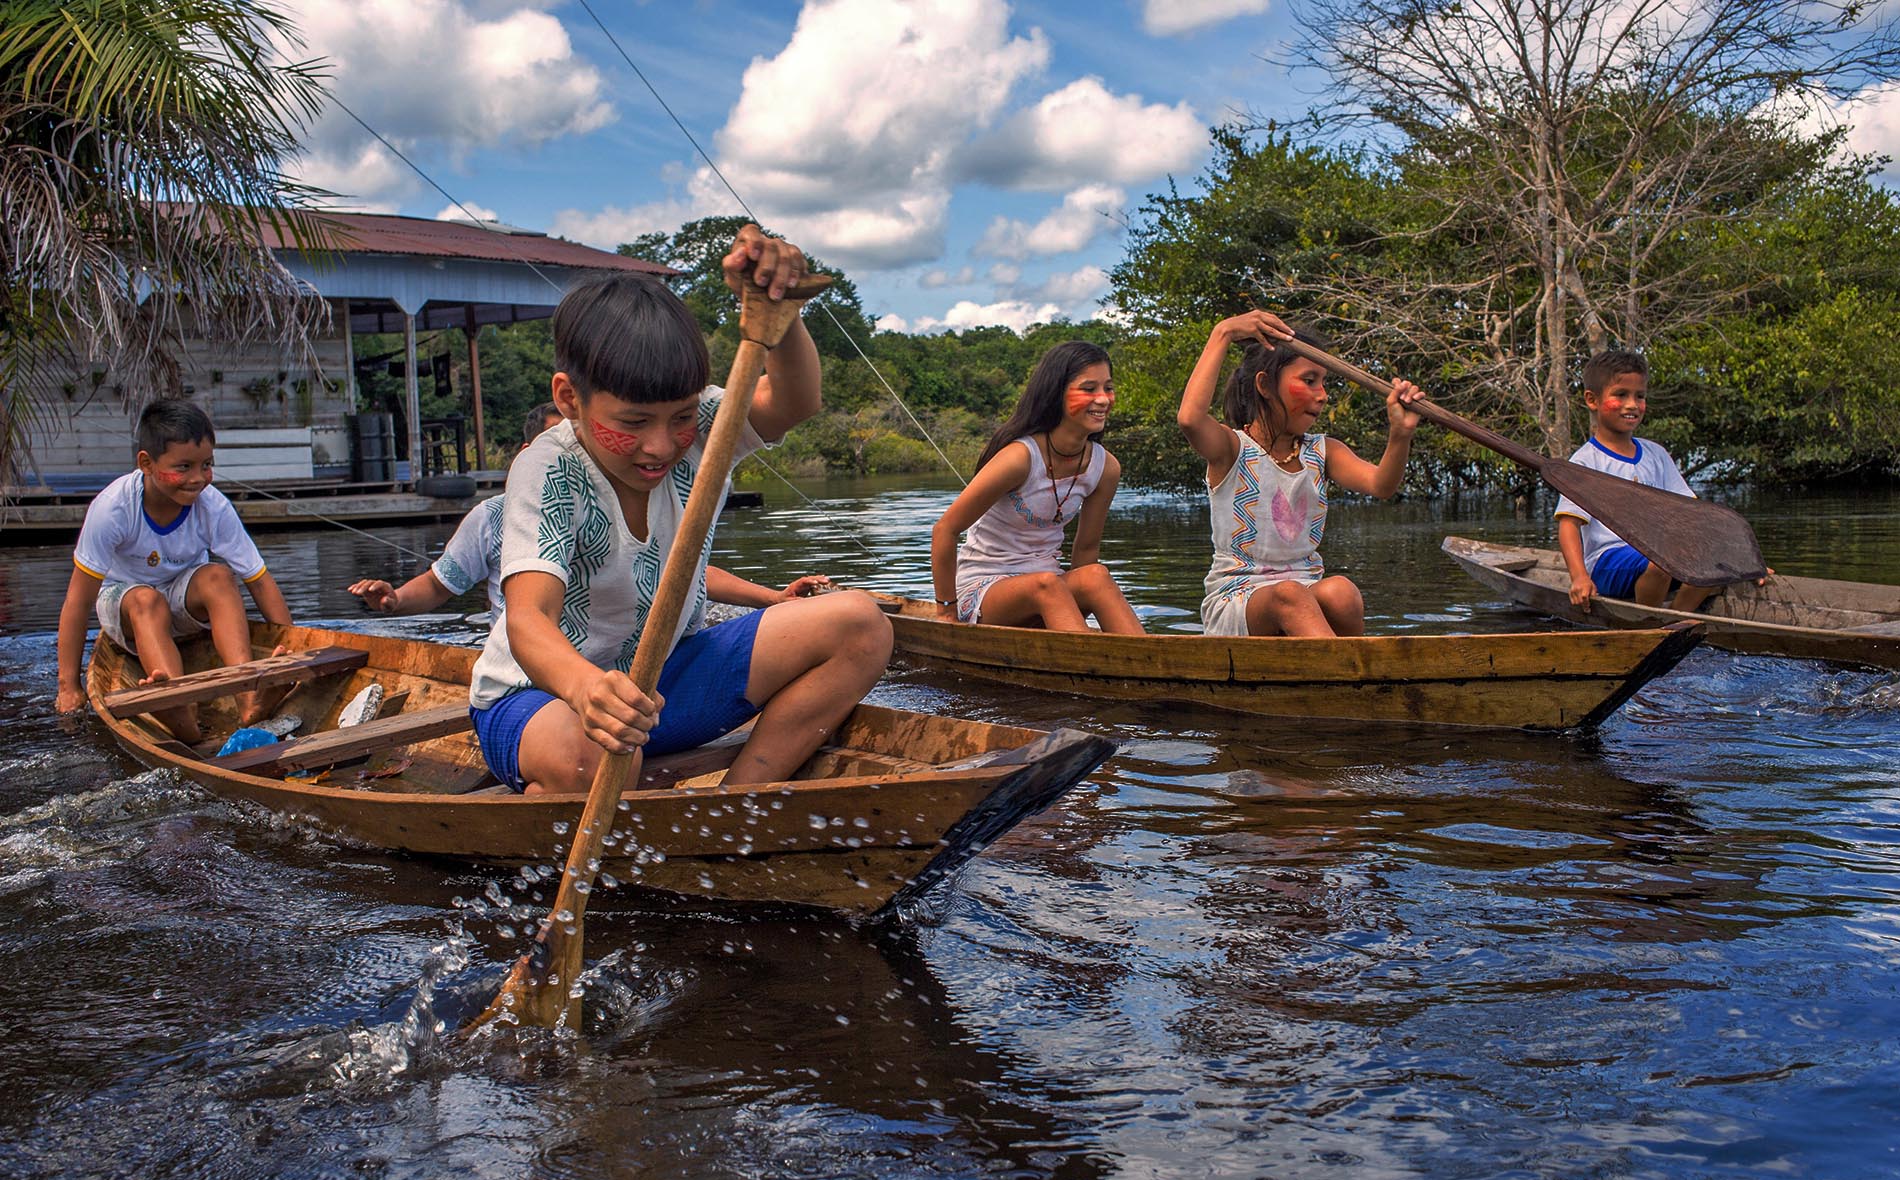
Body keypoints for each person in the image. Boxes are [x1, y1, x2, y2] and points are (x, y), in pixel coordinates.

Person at [468, 224, 890, 795]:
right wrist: (587, 688)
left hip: (663, 684)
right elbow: (528, 620)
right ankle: (555, 790)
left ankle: (734, 804)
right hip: (539, 699)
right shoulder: (547, 470)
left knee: (860, 624)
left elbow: (796, 401)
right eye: (633, 423)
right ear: (569, 399)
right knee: (593, 756)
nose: (663, 445)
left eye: (681, 417)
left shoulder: (709, 423)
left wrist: (779, 314)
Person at [54, 399, 294, 741]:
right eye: (183, 467)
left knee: (219, 576)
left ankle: (248, 695)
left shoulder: (213, 507)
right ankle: (179, 710)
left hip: (182, 602)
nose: (198, 479)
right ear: (146, 464)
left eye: (207, 465)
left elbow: (259, 581)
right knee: (147, 602)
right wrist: (69, 686)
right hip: (128, 605)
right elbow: (77, 603)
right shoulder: (113, 509)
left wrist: (295, 653)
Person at [1178, 311, 1425, 637]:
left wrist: (1400, 434)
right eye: (1308, 381)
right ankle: (1351, 680)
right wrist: (1223, 332)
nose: (1322, 395)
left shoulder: (1323, 452)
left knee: (1341, 590)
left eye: (1323, 382)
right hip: (1238, 598)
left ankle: (1344, 671)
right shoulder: (1231, 448)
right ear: (1265, 385)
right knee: (1288, 594)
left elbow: (1381, 485)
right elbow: (1190, 420)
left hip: (1305, 594)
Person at [928, 341, 1144, 633]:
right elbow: (945, 529)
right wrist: (946, 612)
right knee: (1046, 584)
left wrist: (1073, 613)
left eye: (1108, 388)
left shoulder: (1105, 468)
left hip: (1050, 588)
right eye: (1089, 389)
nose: (1103, 399)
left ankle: (1155, 667)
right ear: (1057, 394)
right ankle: (1088, 666)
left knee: (1096, 576)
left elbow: (1086, 552)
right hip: (986, 590)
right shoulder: (1019, 458)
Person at [347, 493, 830, 616]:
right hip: (536, 674)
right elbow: (438, 584)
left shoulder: (618, 507)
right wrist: (395, 601)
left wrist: (773, 599)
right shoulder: (494, 518)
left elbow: (681, 574)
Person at [1555, 348, 1739, 611]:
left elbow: (1693, 513)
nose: (1632, 405)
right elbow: (1569, 526)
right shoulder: (1585, 462)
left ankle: (1674, 621)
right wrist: (1580, 577)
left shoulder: (1656, 454)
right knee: (1660, 561)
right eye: (1621, 395)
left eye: (1639, 396)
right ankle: (1648, 624)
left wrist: (1739, 562)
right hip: (1607, 563)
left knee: (1712, 560)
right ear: (1592, 400)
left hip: (1659, 556)